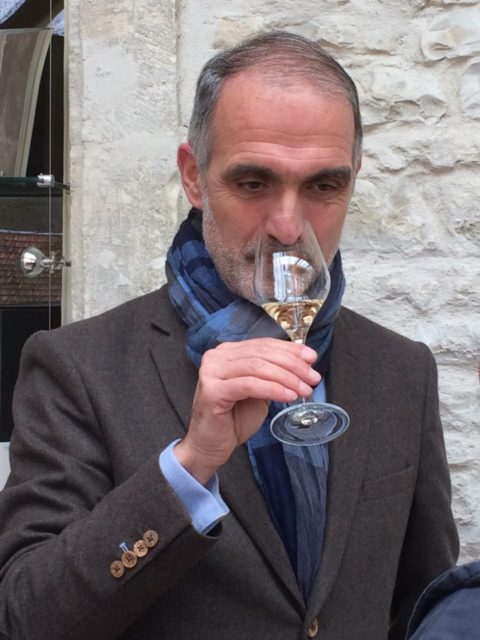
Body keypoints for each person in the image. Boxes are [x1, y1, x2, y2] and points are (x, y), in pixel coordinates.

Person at [0, 31, 458, 640]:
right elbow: (25, 618)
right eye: (253, 183)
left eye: (324, 186)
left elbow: (426, 606)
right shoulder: (77, 367)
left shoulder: (400, 369)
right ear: (194, 176)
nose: (288, 226)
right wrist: (190, 465)